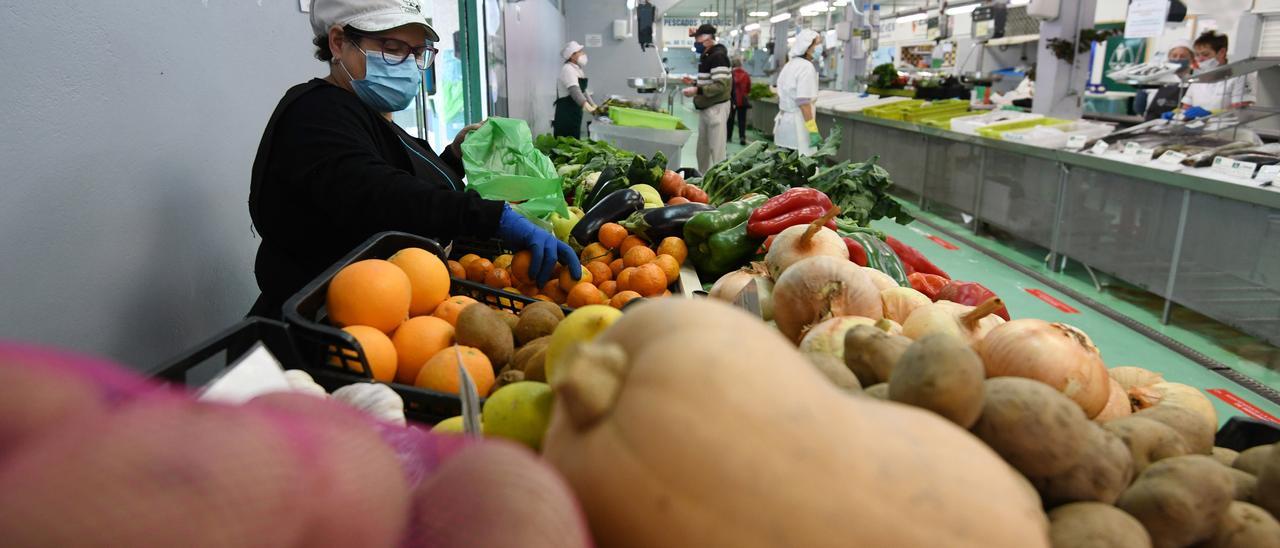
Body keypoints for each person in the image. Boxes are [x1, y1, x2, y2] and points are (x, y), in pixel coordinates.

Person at [247, 0, 579, 319]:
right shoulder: (315, 113)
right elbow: (379, 194)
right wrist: (494, 218)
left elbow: (403, 177)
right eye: (393, 48)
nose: (409, 64)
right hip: (330, 321)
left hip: (396, 304)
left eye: (418, 52)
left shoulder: (370, 114)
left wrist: (454, 156)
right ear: (338, 42)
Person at [682, 24, 732, 173]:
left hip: (716, 108)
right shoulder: (708, 55)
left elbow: (721, 86)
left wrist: (697, 89)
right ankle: (702, 178)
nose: (696, 43)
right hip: (707, 107)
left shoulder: (718, 57)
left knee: (717, 150)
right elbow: (711, 81)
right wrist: (694, 83)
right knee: (703, 148)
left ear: (708, 39)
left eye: (698, 39)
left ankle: (719, 181)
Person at [773, 29, 823, 156]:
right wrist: (813, 130)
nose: (819, 48)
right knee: (801, 169)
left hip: (784, 125)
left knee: (785, 167)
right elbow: (803, 101)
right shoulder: (806, 67)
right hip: (798, 128)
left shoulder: (790, 65)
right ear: (807, 47)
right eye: (817, 44)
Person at [1181, 31, 1256, 113]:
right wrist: (1177, 114)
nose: (1200, 59)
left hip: (1227, 125)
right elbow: (1186, 106)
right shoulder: (1198, 78)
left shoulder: (1240, 75)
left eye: (1205, 54)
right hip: (1197, 124)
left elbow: (1241, 109)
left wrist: (1210, 114)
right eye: (1197, 55)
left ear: (1222, 52)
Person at [552, 41, 597, 138]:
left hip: (575, 111)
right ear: (572, 56)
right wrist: (588, 107)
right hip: (566, 112)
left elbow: (583, 91)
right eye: (580, 51)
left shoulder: (577, 69)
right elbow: (574, 91)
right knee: (565, 141)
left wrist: (593, 105)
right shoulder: (567, 69)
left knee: (574, 138)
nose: (583, 54)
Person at [1143, 41, 1195, 121]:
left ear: (1191, 59)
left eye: (1182, 56)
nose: (1177, 59)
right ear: (1168, 58)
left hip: (1179, 128)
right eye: (1174, 56)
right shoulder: (1157, 78)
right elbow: (1139, 106)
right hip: (1152, 125)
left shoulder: (1195, 82)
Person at [727, 57, 752, 146]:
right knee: (742, 120)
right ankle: (742, 137)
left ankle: (728, 137)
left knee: (730, 119)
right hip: (743, 101)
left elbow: (728, 87)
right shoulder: (746, 74)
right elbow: (749, 87)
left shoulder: (730, 75)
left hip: (732, 100)